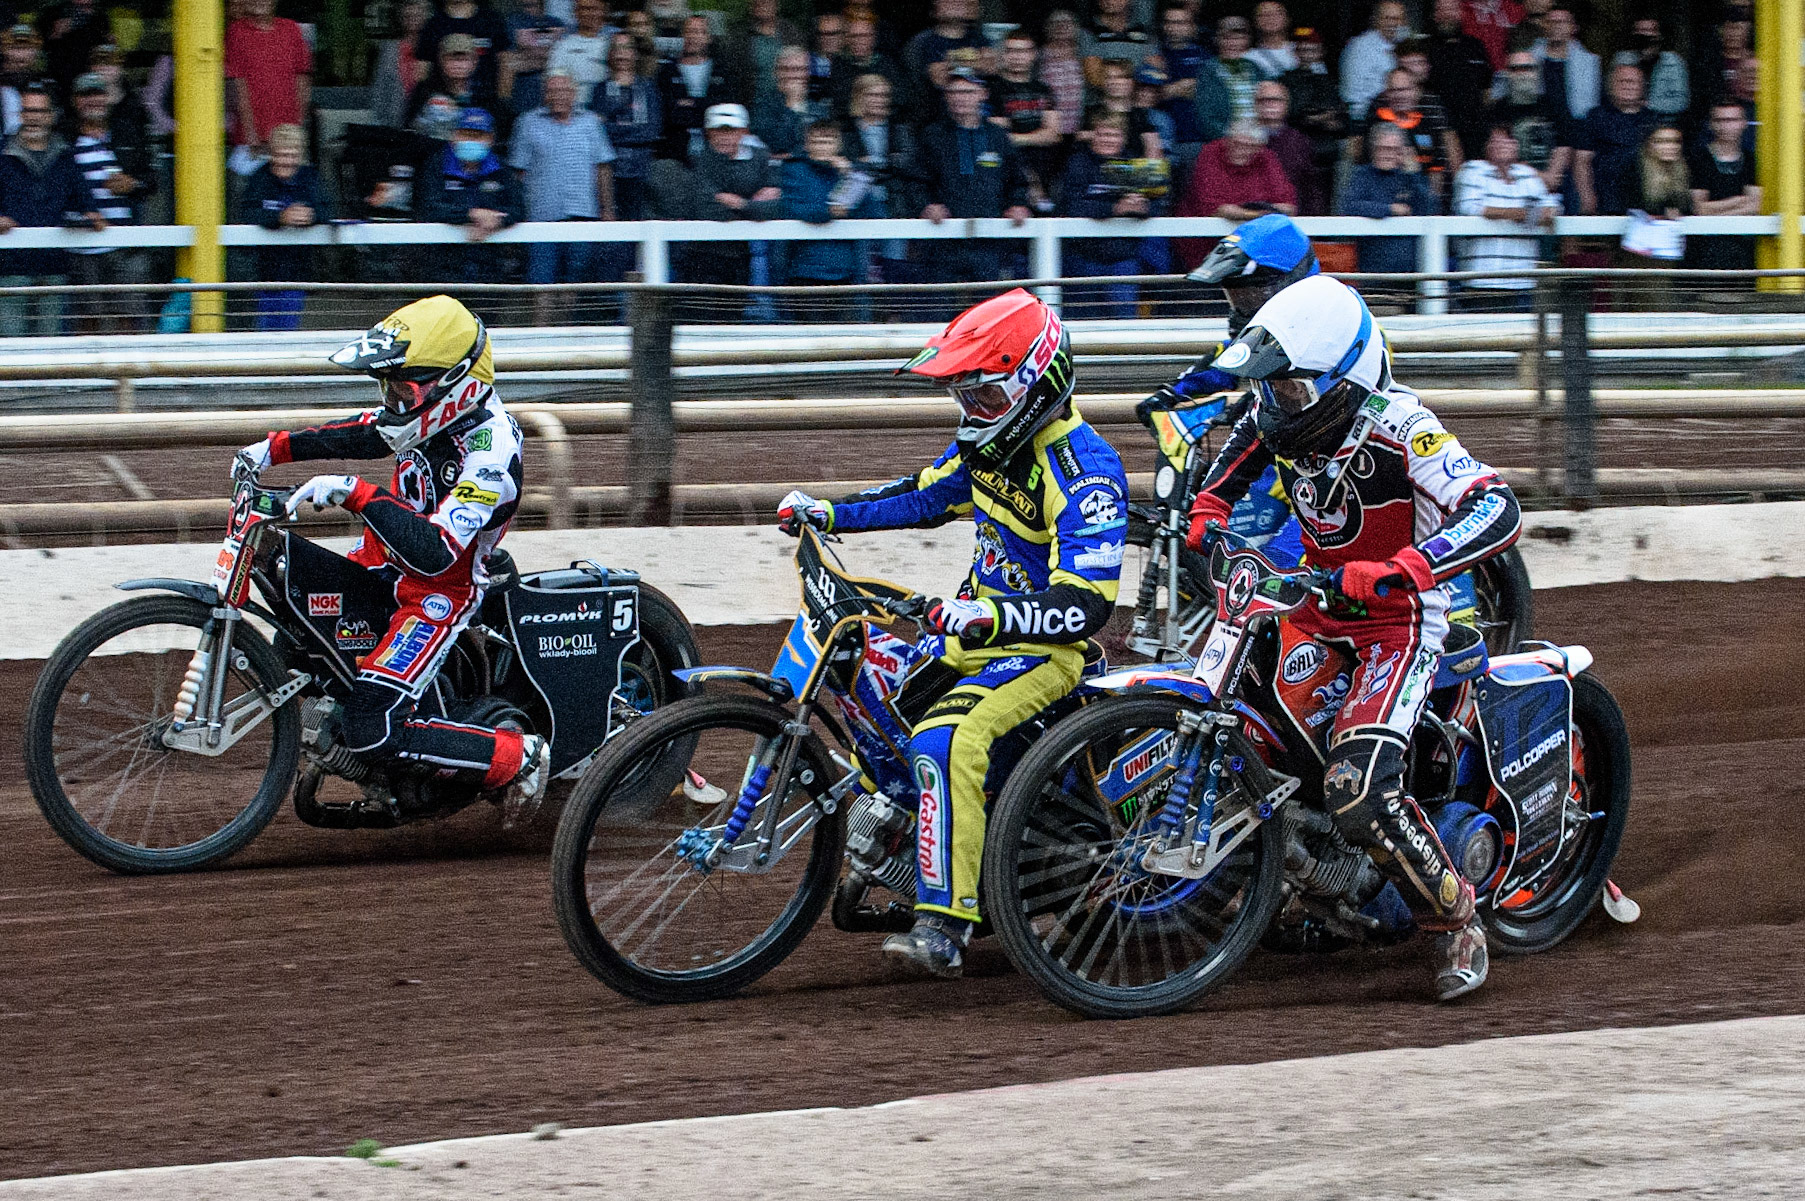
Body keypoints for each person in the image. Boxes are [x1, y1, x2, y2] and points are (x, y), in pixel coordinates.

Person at [1186, 274, 1522, 1001]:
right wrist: (1205, 519)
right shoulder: (1271, 411)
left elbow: (1495, 508)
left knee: (1356, 787)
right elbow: (1218, 485)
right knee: (1237, 715)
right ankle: (1287, 872)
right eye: (1274, 390)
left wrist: (1404, 566)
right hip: (1311, 603)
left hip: (1396, 626)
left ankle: (1455, 920)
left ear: (1348, 375)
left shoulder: (1402, 424)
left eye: (1295, 391)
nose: (1279, 403)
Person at [775, 289, 1128, 977]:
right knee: (871, 685)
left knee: (946, 738)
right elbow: (925, 495)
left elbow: (1086, 605)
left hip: (1044, 652)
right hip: (976, 634)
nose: (972, 414)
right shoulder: (988, 446)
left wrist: (989, 615)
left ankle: (946, 922)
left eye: (986, 398)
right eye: (964, 397)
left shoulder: (1085, 472)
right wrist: (827, 513)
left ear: (1036, 384)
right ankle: (904, 839)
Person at [235, 296, 547, 814]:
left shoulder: (489, 452)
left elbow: (436, 553)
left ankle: (516, 756)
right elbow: (359, 433)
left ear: (457, 383)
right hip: (383, 565)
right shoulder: (422, 417)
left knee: (370, 727)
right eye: (389, 387)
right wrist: (271, 448)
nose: (395, 402)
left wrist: (356, 493)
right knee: (296, 632)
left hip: (438, 592)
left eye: (406, 388)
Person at [509, 70, 614, 322]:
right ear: (545, 94)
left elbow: (602, 168)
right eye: (552, 90)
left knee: (576, 278)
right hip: (541, 216)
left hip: (583, 214)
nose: (558, 95)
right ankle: (541, 335)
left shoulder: (590, 122)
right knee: (541, 280)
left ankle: (568, 333)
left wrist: (608, 209)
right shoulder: (528, 122)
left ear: (574, 93)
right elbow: (518, 172)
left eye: (564, 90)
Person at [911, 70, 1031, 286]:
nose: (960, 97)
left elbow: (1017, 179)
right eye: (953, 92)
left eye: (967, 91)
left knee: (989, 310)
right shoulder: (932, 135)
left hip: (990, 241)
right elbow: (916, 180)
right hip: (942, 240)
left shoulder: (997, 136)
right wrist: (927, 205)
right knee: (938, 308)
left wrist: (1018, 204)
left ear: (983, 94)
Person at [0, 83, 95, 336]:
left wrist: (91, 217)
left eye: (40, 112)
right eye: (28, 111)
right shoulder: (2, 155)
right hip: (10, 270)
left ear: (51, 116)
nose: (33, 118)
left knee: (52, 348)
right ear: (20, 115)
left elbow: (86, 205)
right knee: (11, 349)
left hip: (54, 267)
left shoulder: (66, 157)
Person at [67, 70, 152, 334]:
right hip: (82, 248)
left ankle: (128, 375)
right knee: (87, 323)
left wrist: (132, 183)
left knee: (128, 320)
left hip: (122, 245)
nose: (93, 100)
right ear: (75, 101)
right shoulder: (65, 140)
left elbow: (151, 179)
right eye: (86, 95)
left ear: (108, 98)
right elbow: (56, 192)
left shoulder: (126, 134)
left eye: (98, 94)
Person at [1061, 112, 1157, 319]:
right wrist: (1114, 209)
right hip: (1084, 258)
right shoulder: (1078, 163)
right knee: (1083, 320)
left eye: (1114, 135)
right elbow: (1072, 207)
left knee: (1124, 320)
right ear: (1094, 136)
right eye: (1103, 134)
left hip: (1123, 259)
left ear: (1122, 138)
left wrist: (1142, 208)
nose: (1107, 139)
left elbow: (1153, 204)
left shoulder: (1134, 164)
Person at [779, 119, 880, 316]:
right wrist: (828, 212)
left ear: (838, 145)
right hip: (805, 269)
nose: (823, 147)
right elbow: (794, 208)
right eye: (817, 142)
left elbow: (872, 210)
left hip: (845, 270)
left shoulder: (852, 172)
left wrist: (848, 174)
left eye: (828, 141)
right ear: (807, 145)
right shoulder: (794, 170)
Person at [1452, 123, 1555, 309]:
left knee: (1522, 337)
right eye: (1496, 140)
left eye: (1508, 140)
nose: (1503, 144)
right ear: (1486, 146)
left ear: (1517, 145)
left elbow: (1551, 211)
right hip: (1482, 280)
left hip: (1523, 281)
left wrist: (1521, 214)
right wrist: (1525, 214)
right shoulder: (1472, 170)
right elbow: (1471, 208)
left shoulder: (1527, 174)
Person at [680, 102, 780, 290]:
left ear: (743, 131)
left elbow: (777, 206)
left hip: (741, 255)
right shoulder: (700, 161)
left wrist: (740, 204)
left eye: (730, 130)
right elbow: (706, 209)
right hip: (701, 254)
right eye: (718, 130)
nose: (724, 136)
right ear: (708, 133)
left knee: (736, 314)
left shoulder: (760, 157)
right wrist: (753, 205)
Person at [239, 123, 329, 331]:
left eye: (291, 156)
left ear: (299, 155)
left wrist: (311, 215)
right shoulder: (258, 179)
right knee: (265, 332)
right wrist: (280, 217)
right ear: (271, 154)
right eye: (280, 156)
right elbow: (246, 214)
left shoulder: (311, 177)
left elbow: (329, 210)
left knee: (288, 329)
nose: (286, 162)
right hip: (263, 270)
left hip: (298, 269)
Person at [418, 107, 519, 285]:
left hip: (488, 269)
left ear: (490, 139)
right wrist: (471, 214)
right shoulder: (436, 166)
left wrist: (497, 221)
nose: (471, 140)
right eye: (465, 134)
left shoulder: (502, 170)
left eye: (478, 135)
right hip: (443, 270)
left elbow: (518, 209)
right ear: (454, 136)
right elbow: (428, 207)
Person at [1338, 122, 1438, 273]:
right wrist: (1390, 209)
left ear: (1403, 151)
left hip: (1411, 270)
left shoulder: (1411, 176)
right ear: (1372, 149)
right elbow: (1349, 206)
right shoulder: (1362, 175)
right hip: (1372, 268)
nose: (1387, 154)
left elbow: (1430, 208)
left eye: (1393, 149)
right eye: (1382, 148)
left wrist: (1414, 174)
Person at [1178, 118, 1296, 237]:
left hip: (1257, 236)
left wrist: (1261, 212)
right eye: (1237, 144)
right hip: (1206, 235)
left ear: (1259, 147)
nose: (1242, 150)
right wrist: (1258, 214)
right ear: (1227, 140)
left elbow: (1288, 205)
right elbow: (1213, 208)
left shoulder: (1266, 158)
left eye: (1250, 146)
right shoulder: (1210, 154)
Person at [225, 0, 311, 158]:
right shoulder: (236, 31)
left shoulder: (291, 29)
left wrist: (297, 128)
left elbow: (302, 80)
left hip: (288, 139)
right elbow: (238, 85)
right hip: (251, 142)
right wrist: (251, 136)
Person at [591, 33, 660, 221]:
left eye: (627, 48)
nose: (622, 54)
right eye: (616, 48)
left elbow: (651, 130)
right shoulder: (600, 90)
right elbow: (596, 132)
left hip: (642, 168)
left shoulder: (647, 88)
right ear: (610, 54)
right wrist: (631, 129)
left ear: (635, 54)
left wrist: (612, 127)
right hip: (609, 170)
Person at [1687, 100, 1761, 273]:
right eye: (1720, 120)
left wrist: (1717, 211)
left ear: (1744, 124)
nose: (1726, 126)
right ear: (1711, 124)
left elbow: (1756, 206)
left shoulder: (1751, 160)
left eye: (1732, 120)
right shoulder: (1698, 159)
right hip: (1705, 249)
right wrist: (1738, 200)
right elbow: (1700, 208)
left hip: (1743, 249)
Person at [1365, 66, 1462, 197]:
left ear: (1416, 91)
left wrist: (1430, 209)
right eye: (1394, 90)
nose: (1399, 95)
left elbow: (1436, 170)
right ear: (1387, 94)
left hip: (1421, 196)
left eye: (1405, 89)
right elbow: (1368, 169)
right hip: (1383, 197)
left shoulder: (1429, 121)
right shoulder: (1376, 120)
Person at [1489, 48, 1575, 195]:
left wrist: (1552, 176)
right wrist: (1542, 177)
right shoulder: (1497, 110)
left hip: (1553, 190)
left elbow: (1564, 145)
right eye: (1515, 69)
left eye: (1527, 68)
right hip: (1511, 188)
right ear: (1508, 74)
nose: (1522, 74)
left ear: (1537, 72)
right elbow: (1498, 154)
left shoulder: (1554, 105)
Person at [1575, 62, 1656, 216]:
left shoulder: (1653, 120)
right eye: (1622, 81)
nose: (1628, 86)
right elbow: (1581, 161)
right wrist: (1586, 196)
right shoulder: (1595, 117)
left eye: (1633, 82)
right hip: (1605, 198)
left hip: (1645, 201)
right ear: (1611, 86)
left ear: (1642, 87)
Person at [656, 13, 735, 164]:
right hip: (676, 151)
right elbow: (668, 111)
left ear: (709, 37)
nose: (694, 36)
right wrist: (705, 106)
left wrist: (690, 103)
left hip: (717, 150)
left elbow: (726, 109)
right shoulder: (667, 71)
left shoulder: (722, 71)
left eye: (700, 32)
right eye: (690, 31)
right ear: (683, 35)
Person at [1425, 0, 1495, 157]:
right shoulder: (1426, 49)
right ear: (1435, 15)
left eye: (1451, 9)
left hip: (1476, 132)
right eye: (1441, 10)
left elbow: (1487, 90)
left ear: (1461, 12)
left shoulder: (1476, 46)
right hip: (1439, 132)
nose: (1447, 15)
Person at [414, 0, 511, 95]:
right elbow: (423, 71)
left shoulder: (491, 20)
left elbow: (505, 64)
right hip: (442, 102)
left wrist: (502, 99)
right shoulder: (433, 24)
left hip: (485, 98)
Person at [1252, 79, 1320, 214]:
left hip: (1292, 216)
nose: (1269, 104)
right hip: (1250, 215)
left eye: (1275, 100)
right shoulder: (1243, 139)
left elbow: (1311, 189)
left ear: (1286, 105)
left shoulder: (1300, 142)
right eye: (1263, 100)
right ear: (1255, 105)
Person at [1528, 6, 1599, 125]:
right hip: (1538, 125)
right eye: (1551, 22)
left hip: (1576, 127)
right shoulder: (1530, 57)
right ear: (1544, 26)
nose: (1556, 26)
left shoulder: (1589, 62)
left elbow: (1593, 104)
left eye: (1562, 22)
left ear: (1573, 27)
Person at [1341, 0, 1407, 122]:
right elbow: (1352, 96)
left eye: (1397, 19)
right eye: (1387, 18)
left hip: (1399, 117)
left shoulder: (1404, 44)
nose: (1393, 23)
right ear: (1376, 20)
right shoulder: (1359, 47)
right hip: (1369, 119)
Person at [1609, 18, 1686, 120]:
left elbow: (1681, 101)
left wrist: (1647, 105)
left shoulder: (1674, 62)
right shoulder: (1621, 59)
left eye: (1651, 37)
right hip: (1625, 120)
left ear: (1659, 37)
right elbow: (1610, 94)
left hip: (1662, 123)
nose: (1647, 41)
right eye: (1641, 37)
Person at [372, 0, 433, 128]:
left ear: (427, 15)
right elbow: (379, 90)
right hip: (393, 126)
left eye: (418, 12)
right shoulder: (389, 49)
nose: (413, 16)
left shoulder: (434, 48)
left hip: (428, 126)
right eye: (408, 14)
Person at [502, 0, 565, 115]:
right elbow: (509, 61)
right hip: (522, 91)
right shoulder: (512, 22)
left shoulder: (556, 23)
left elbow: (562, 57)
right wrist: (548, 56)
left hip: (551, 90)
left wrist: (527, 56)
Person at [544, 0, 611, 107]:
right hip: (575, 111)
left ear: (603, 12)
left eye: (594, 9)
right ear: (576, 12)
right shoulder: (563, 46)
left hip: (608, 107)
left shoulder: (613, 44)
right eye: (585, 9)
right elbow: (555, 84)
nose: (590, 13)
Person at [1080, 0, 1154, 87]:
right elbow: (1093, 77)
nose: (1109, 1)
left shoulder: (1142, 30)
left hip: (1139, 96)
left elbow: (1154, 67)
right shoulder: (1089, 31)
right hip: (1103, 98)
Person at [1246, 1, 1296, 77]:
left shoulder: (1301, 51)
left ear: (1288, 19)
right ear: (1255, 21)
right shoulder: (1248, 57)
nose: (1270, 18)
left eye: (1277, 13)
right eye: (1263, 14)